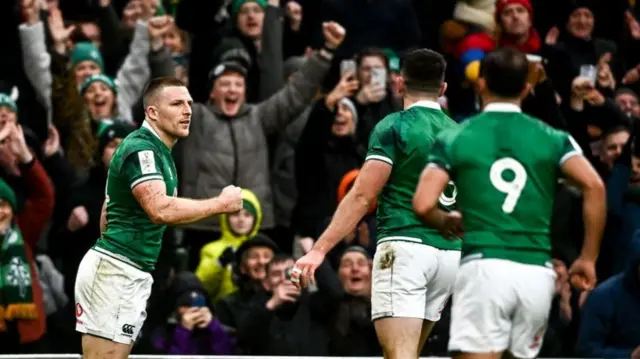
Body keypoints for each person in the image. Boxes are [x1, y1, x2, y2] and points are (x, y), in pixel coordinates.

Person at [412, 47, 606, 359]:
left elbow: (422, 204)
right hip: (536, 273)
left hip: (484, 266)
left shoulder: (456, 136)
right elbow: (594, 185)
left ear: (481, 84)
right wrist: (588, 257)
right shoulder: (554, 138)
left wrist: (446, 221)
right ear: (527, 89)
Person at [292, 49, 461, 359]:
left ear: (399, 84)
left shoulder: (394, 127)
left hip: (405, 248)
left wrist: (319, 250)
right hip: (450, 256)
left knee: (400, 355)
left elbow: (361, 196)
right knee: (406, 353)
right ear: (443, 88)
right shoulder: (461, 133)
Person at [74, 77, 244, 359]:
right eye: (177, 103)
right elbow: (160, 209)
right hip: (116, 271)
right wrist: (220, 204)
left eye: (189, 103)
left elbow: (107, 214)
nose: (187, 110)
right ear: (152, 112)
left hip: (125, 269)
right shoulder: (142, 149)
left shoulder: (159, 152)